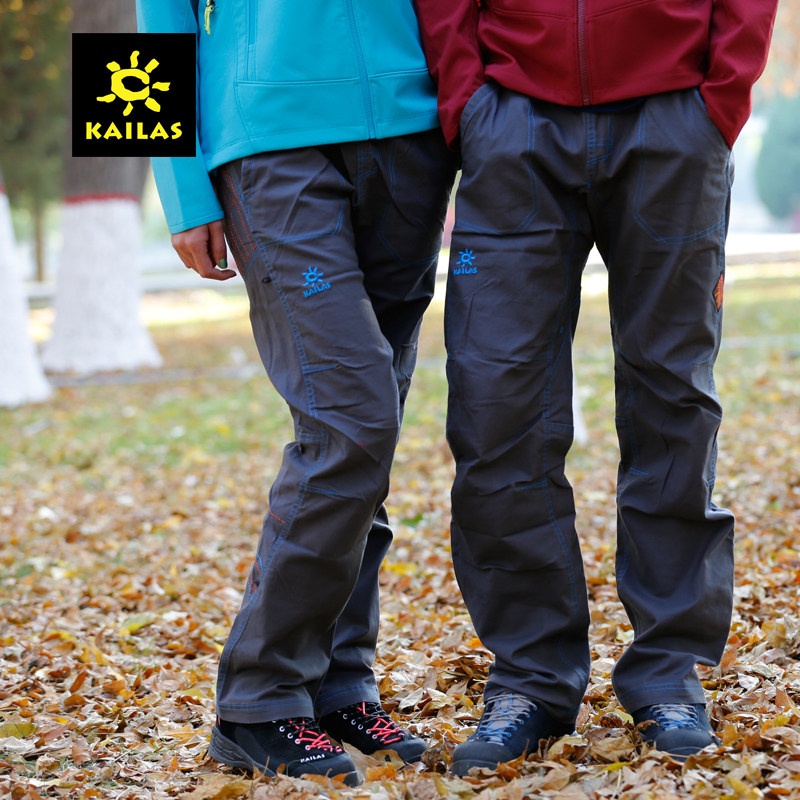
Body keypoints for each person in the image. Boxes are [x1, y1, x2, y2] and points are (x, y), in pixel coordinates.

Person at [412, 0, 778, 775]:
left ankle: (667, 671)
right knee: (495, 406)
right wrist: (469, 101)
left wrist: (720, 97)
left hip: (674, 113)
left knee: (673, 401)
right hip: (513, 120)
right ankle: (530, 678)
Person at [137, 0, 456, 785]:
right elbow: (146, 21)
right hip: (268, 140)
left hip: (411, 139)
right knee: (352, 422)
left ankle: (339, 684)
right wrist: (182, 191)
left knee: (372, 428)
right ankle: (258, 698)